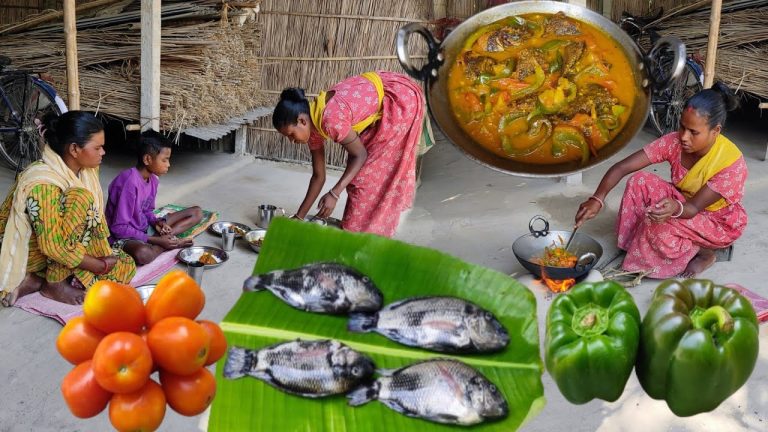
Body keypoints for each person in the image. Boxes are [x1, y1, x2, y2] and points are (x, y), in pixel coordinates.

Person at [574, 82, 746, 278]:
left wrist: (674, 208)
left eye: (694, 132)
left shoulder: (730, 163)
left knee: (658, 225)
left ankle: (703, 252)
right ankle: (637, 245)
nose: (684, 137)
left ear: (716, 131)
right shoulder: (674, 142)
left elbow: (693, 209)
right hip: (684, 203)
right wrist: (597, 198)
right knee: (639, 181)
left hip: (715, 221)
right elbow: (622, 167)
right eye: (682, 127)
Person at [0, 111, 136, 306]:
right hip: (32, 250)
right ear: (74, 149)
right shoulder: (42, 185)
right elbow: (52, 246)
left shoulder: (85, 169)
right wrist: (98, 264)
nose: (103, 152)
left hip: (58, 244)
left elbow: (86, 223)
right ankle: (54, 284)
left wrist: (100, 255)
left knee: (125, 266)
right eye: (97, 148)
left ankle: (35, 279)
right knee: (80, 199)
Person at [272, 71, 425, 237]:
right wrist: (299, 217)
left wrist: (334, 193)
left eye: (290, 134)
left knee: (365, 178)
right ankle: (361, 229)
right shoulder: (312, 126)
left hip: (399, 100)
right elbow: (318, 176)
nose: (291, 140)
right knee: (360, 175)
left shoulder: (330, 120)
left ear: (302, 121)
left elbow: (360, 155)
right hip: (386, 95)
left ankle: (365, 234)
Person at [105, 129, 202, 265]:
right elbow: (118, 228)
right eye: (164, 160)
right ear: (147, 159)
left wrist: (157, 223)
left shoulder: (153, 180)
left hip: (143, 227)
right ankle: (168, 243)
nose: (168, 165)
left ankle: (167, 241)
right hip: (123, 235)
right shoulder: (129, 182)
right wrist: (154, 240)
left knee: (196, 212)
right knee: (144, 254)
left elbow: (147, 211)